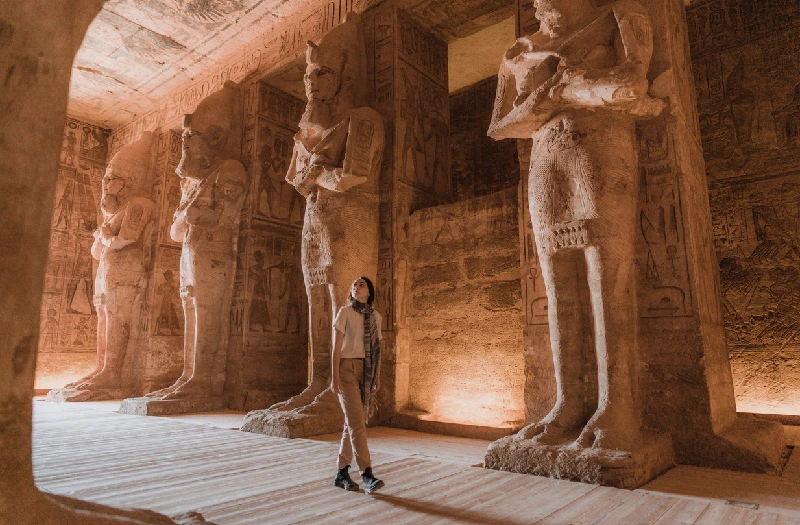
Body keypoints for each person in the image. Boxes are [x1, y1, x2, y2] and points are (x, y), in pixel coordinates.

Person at [330, 276, 385, 494]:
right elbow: (336, 348)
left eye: (361, 284)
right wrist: (334, 377)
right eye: (354, 284)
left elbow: (377, 350)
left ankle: (341, 472)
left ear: (369, 292)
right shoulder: (344, 312)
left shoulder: (376, 317)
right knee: (357, 423)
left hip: (366, 371)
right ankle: (367, 474)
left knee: (352, 422)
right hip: (346, 369)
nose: (356, 286)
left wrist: (377, 377)